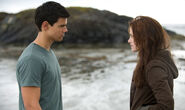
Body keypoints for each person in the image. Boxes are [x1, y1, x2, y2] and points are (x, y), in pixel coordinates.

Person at [16, 1, 70, 110]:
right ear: (45, 25)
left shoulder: (48, 52)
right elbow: (31, 106)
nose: (66, 30)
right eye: (62, 26)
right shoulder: (32, 59)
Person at [128, 16, 178, 110]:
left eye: (132, 36)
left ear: (144, 38)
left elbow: (167, 106)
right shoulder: (150, 60)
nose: (129, 40)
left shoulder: (154, 66)